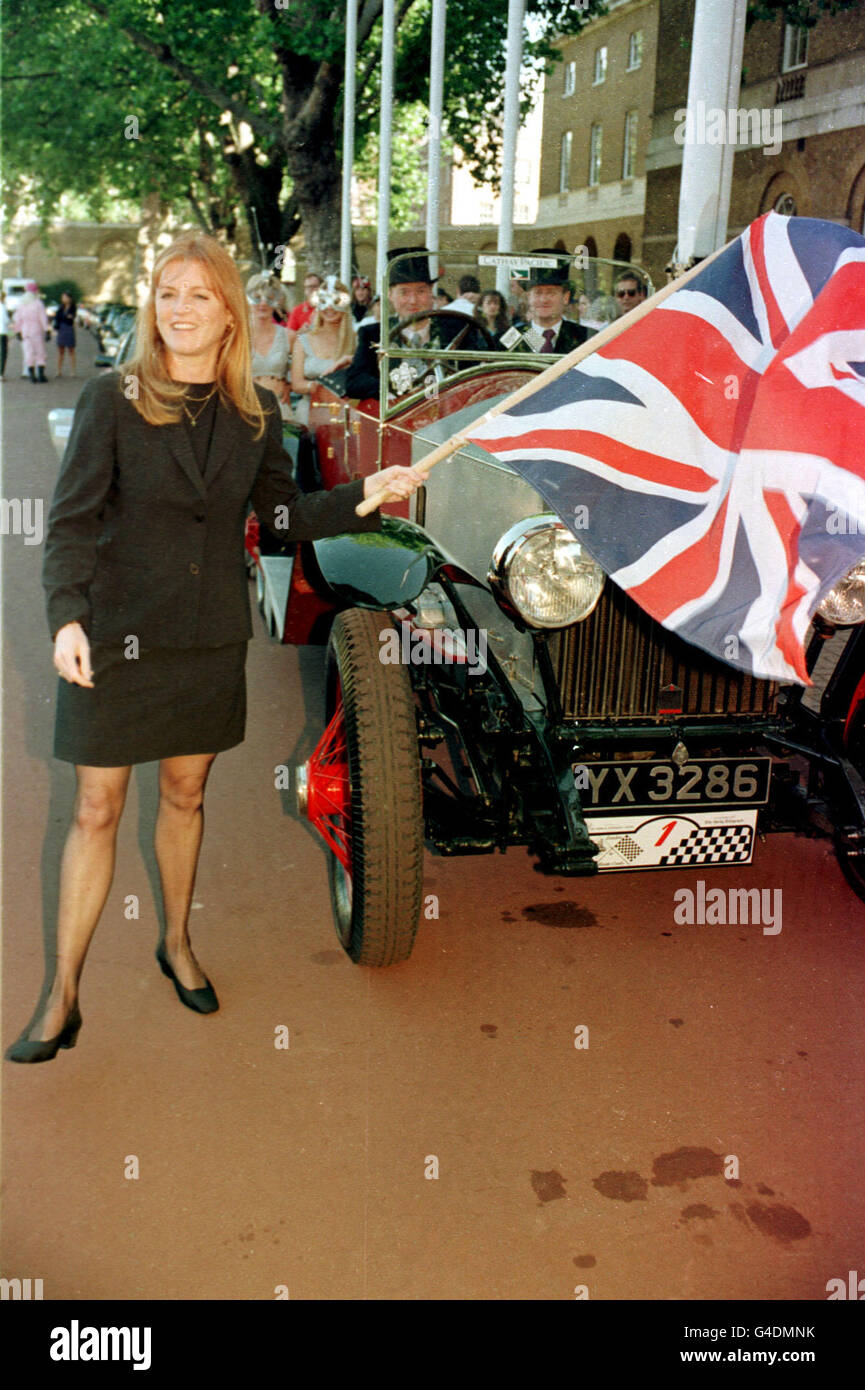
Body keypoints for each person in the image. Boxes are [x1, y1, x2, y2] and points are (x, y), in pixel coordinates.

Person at [5, 232, 427, 1064]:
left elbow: (278, 521)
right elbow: (72, 524)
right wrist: (66, 619)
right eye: (168, 293)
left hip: (205, 638)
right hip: (115, 635)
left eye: (199, 294)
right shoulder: (112, 397)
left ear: (229, 311)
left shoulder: (254, 411)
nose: (180, 309)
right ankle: (61, 995)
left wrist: (364, 498)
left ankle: (177, 944)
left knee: (186, 797)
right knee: (96, 808)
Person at [345, 247, 485, 401]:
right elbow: (354, 381)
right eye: (404, 292)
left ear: (431, 292)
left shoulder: (458, 329)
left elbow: (476, 374)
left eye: (420, 292)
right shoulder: (373, 333)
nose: (413, 301)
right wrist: (388, 394)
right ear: (390, 295)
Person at [291, 276, 355, 425]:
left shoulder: (356, 341)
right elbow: (296, 383)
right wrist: (320, 388)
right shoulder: (303, 340)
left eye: (336, 302)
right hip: (310, 413)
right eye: (324, 302)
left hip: (344, 416)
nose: (330, 308)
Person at [503, 256, 594, 355]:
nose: (544, 300)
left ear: (566, 297)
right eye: (537, 293)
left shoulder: (588, 337)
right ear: (529, 297)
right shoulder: (510, 339)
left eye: (551, 293)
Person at [247, 271, 292, 419]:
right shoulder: (236, 336)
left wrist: (289, 384)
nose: (263, 304)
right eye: (257, 298)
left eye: (269, 298)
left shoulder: (289, 336)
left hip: (279, 408)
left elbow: (300, 370)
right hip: (245, 408)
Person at [13, 281, 50, 383]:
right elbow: (43, 318)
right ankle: (41, 375)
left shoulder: (22, 304)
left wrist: (17, 331)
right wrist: (47, 330)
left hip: (25, 331)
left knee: (28, 353)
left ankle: (32, 376)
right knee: (40, 353)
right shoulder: (38, 303)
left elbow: (18, 319)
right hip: (36, 330)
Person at [286, 271, 321, 347]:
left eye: (314, 286)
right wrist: (300, 332)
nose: (311, 290)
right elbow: (288, 340)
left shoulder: (328, 309)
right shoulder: (297, 310)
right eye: (308, 287)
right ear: (305, 290)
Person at [54, 290, 78, 377]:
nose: (63, 299)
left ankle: (72, 371)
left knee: (71, 350)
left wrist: (66, 317)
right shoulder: (61, 307)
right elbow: (58, 317)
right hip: (61, 329)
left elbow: (71, 317)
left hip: (69, 328)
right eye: (63, 297)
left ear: (69, 298)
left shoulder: (73, 307)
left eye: (65, 297)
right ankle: (59, 371)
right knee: (60, 350)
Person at [0, 290, 10, 381]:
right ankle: (1, 373)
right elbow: (5, 320)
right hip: (2, 332)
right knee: (3, 352)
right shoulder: (2, 307)